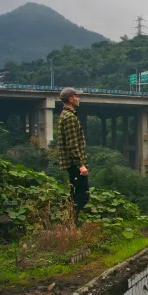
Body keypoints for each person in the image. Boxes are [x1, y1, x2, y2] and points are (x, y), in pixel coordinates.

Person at [57, 87, 89, 222]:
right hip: (74, 163)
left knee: (75, 194)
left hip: (70, 162)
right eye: (76, 96)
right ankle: (70, 223)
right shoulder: (69, 117)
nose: (78, 98)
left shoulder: (65, 115)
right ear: (70, 99)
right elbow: (72, 143)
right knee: (83, 195)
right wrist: (80, 164)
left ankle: (71, 224)